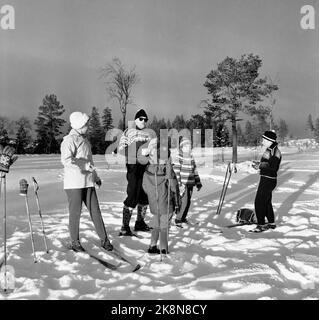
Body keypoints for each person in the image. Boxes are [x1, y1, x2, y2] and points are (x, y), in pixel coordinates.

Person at [60, 111, 113, 251]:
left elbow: (90, 162)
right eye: (85, 124)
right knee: (75, 212)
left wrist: (96, 177)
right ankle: (74, 241)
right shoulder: (69, 140)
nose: (87, 126)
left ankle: (104, 239)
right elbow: (66, 160)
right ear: (78, 125)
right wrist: (83, 165)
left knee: (95, 211)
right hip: (74, 183)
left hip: (88, 182)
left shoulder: (85, 141)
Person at [118, 108, 153, 236]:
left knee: (144, 195)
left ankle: (140, 222)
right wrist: (136, 152)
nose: (143, 121)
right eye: (141, 119)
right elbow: (121, 149)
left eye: (145, 119)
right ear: (136, 119)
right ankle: (125, 226)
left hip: (146, 167)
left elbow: (153, 149)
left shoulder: (149, 134)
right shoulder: (129, 132)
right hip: (133, 167)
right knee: (133, 194)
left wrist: (151, 153)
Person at [142, 139, 180, 254]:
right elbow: (173, 186)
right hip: (166, 202)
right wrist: (177, 199)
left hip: (154, 203)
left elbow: (144, 187)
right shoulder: (167, 170)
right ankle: (163, 248)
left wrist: (152, 195)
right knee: (164, 226)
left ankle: (152, 245)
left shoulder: (147, 170)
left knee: (156, 224)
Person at [250, 130, 282, 233]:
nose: (262, 141)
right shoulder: (270, 149)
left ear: (270, 140)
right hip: (267, 178)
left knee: (259, 202)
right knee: (266, 202)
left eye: (264, 139)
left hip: (268, 179)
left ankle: (261, 225)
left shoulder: (275, 151)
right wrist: (259, 164)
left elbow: (272, 166)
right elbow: (267, 163)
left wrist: (259, 165)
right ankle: (271, 223)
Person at [173, 137, 202, 226]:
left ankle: (183, 217)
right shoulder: (179, 157)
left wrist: (198, 183)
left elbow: (195, 171)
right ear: (181, 147)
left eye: (189, 146)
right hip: (183, 184)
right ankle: (178, 219)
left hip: (190, 183)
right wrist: (179, 184)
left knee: (188, 202)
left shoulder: (191, 157)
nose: (188, 148)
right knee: (184, 202)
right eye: (186, 146)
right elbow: (176, 171)